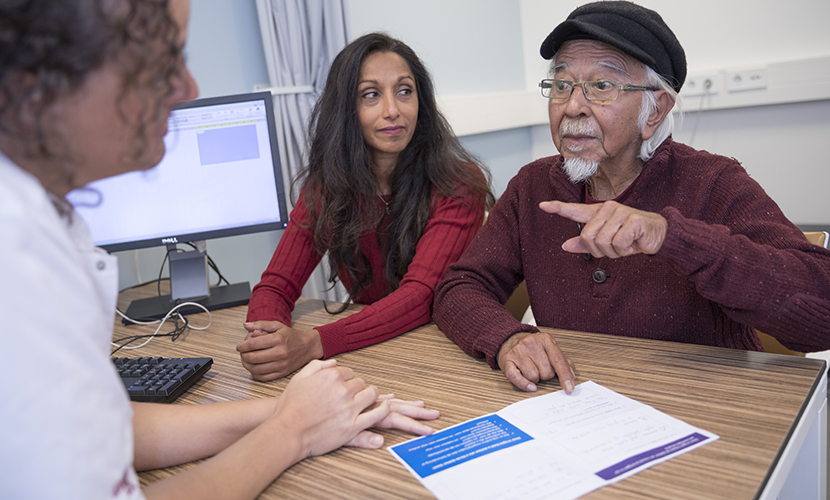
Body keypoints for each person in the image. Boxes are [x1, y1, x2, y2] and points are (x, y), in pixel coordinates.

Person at [0, 2, 438, 499]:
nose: (189, 89)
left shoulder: (45, 224)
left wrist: (288, 409)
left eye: (404, 92)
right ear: (42, 78)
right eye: (164, 57)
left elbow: (103, 426)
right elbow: (275, 283)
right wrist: (288, 425)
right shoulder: (14, 258)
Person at [433, 0, 830, 394]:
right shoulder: (532, 187)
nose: (573, 106)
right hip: (577, 403)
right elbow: (462, 285)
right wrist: (507, 337)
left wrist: (669, 236)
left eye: (602, 86)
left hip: (709, 409)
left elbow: (822, 309)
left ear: (654, 111)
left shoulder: (712, 181)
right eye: (561, 84)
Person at [237, 33, 494, 382]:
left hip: (447, 352)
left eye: (404, 91)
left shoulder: (459, 182)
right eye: (371, 95)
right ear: (346, 109)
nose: (392, 110)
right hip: (372, 350)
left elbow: (420, 298)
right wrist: (267, 341)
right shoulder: (326, 188)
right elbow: (275, 286)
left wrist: (311, 344)